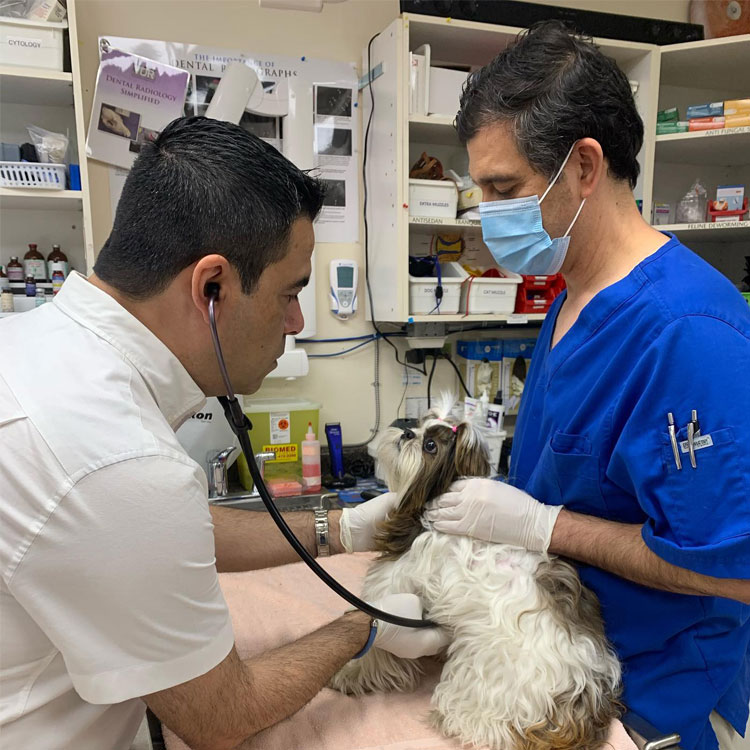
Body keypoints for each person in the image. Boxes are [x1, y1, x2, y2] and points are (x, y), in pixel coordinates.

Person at [0, 117, 446, 750]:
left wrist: (339, 528)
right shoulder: (115, 458)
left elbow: (165, 530)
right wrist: (364, 628)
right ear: (211, 287)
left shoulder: (38, 345)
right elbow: (223, 716)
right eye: (290, 293)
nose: (295, 321)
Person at [423, 22, 750, 750]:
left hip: (647, 706)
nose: (488, 213)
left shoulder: (689, 333)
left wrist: (544, 526)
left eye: (503, 188)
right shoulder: (571, 298)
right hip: (553, 666)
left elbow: (734, 571)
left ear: (583, 166)